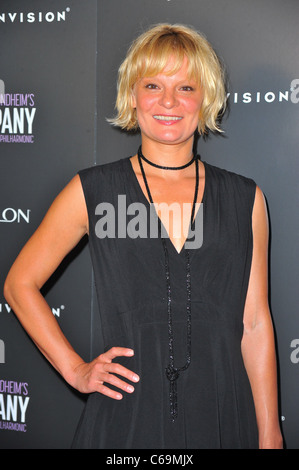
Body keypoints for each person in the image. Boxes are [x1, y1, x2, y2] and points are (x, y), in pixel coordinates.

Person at [4, 23, 283, 449]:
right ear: (132, 97)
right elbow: (19, 284)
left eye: (186, 87)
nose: (169, 101)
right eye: (153, 84)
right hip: (125, 419)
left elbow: (255, 323)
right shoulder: (93, 191)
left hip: (225, 416)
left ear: (204, 98)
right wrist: (75, 369)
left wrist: (270, 433)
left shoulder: (246, 199)